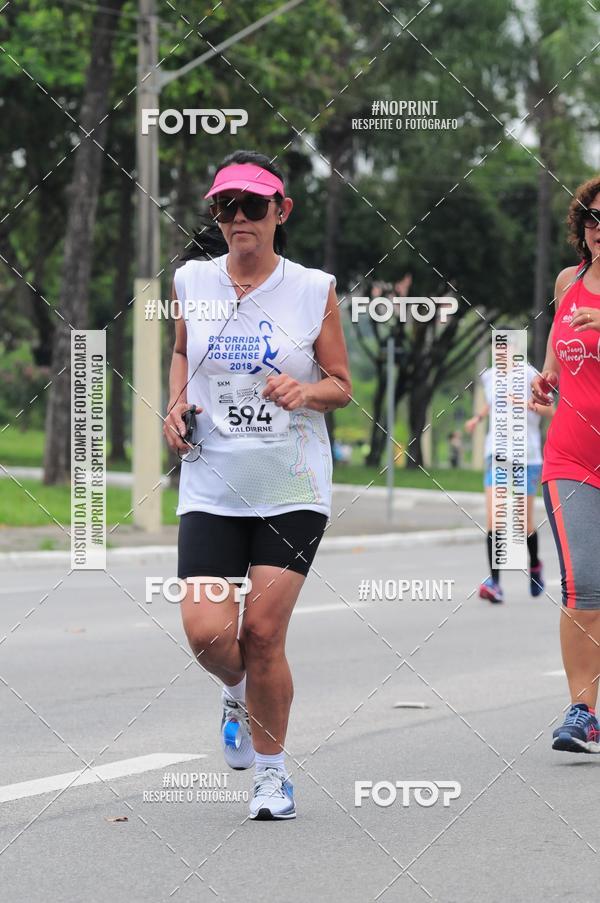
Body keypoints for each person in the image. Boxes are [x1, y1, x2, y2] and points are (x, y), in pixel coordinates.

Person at [163, 150, 352, 816]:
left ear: (281, 211)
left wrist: (304, 391)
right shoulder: (192, 280)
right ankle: (236, 686)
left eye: (252, 204)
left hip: (291, 486)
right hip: (213, 482)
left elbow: (341, 384)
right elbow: (184, 349)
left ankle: (272, 773)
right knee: (208, 634)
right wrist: (175, 403)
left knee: (265, 630)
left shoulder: (311, 288)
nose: (238, 217)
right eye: (225, 205)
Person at [531, 176, 600, 754]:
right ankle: (581, 712)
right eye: (595, 219)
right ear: (582, 227)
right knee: (584, 582)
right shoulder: (567, 283)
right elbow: (557, 353)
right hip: (572, 455)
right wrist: (546, 381)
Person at [465, 358, 553, 603]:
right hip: (498, 455)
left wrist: (525, 404)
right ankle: (495, 583)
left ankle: (534, 566)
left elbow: (551, 410)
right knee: (495, 520)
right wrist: (477, 419)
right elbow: (493, 404)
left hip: (527, 456)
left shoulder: (530, 374)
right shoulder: (490, 376)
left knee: (523, 524)